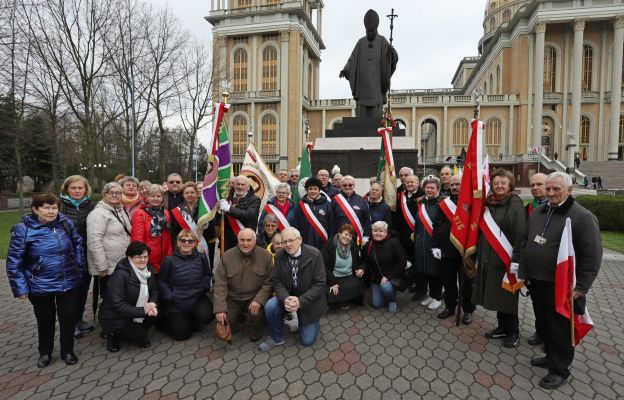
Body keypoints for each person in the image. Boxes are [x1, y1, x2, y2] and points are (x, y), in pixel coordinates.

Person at [519, 172, 602, 389]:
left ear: (569, 190)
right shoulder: (538, 212)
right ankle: (550, 356)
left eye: (557, 189)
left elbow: (592, 255)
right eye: (548, 189)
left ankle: (559, 369)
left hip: (562, 287)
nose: (551, 193)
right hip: (537, 281)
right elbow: (526, 243)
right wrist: (524, 273)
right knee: (545, 324)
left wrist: (582, 287)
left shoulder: (582, 217)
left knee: (560, 330)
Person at [6, 193, 86, 368]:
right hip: (40, 284)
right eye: (46, 207)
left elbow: (78, 244)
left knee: (68, 318)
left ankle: (67, 350)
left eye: (54, 207)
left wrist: (79, 268)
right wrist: (20, 288)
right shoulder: (23, 229)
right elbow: (14, 261)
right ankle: (45, 352)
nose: (51, 211)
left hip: (69, 281)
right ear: (36, 209)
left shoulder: (65, 223)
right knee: (45, 319)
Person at [473, 169, 526, 348]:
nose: (499, 186)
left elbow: (520, 234)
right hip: (489, 258)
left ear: (510, 184)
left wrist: (516, 261)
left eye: (503, 183)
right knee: (497, 295)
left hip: (506, 259)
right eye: (496, 183)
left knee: (508, 297)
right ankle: (503, 327)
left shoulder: (515, 204)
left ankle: (513, 332)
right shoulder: (489, 202)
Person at [259, 227, 327, 350]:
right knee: (270, 306)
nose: (288, 245)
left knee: (307, 341)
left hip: (308, 300)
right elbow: (277, 281)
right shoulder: (279, 256)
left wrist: (300, 301)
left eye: (291, 240)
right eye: (284, 242)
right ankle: (276, 337)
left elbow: (320, 284)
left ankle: (311, 320)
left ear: (300, 240)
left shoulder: (315, 254)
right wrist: (285, 298)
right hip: (288, 296)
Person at [213, 229, 274, 342]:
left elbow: (269, 282)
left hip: (253, 296)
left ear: (255, 241)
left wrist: (259, 300)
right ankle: (240, 318)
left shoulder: (265, 256)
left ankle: (255, 328)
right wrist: (220, 309)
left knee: (256, 314)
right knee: (226, 320)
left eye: (249, 240)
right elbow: (220, 284)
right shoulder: (227, 256)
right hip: (233, 297)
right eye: (242, 240)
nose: (245, 244)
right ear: (238, 240)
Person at [99, 242, 159, 352]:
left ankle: (133, 331)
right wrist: (142, 311)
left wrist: (152, 304)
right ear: (130, 258)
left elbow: (154, 290)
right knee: (140, 337)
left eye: (145, 257)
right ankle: (111, 333)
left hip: (135, 311)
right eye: (138, 257)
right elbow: (117, 304)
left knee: (155, 315)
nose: (142, 260)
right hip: (115, 317)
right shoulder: (120, 275)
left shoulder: (148, 269)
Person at [339, 9, 398, 117]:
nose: (370, 33)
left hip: (376, 84)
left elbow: (391, 60)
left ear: (376, 29)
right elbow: (353, 58)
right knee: (361, 109)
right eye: (368, 31)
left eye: (372, 31)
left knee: (376, 110)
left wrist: (393, 54)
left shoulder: (382, 41)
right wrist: (345, 70)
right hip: (362, 85)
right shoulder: (361, 42)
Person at [433, 174, 475, 324]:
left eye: (458, 184)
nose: (455, 187)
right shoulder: (443, 204)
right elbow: (436, 225)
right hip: (446, 250)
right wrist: (435, 246)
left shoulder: (471, 203)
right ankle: (450, 307)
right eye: (452, 185)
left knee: (467, 284)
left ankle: (468, 310)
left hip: (465, 252)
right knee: (448, 281)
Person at [158, 230, 213, 341]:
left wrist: (203, 287)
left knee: (207, 316)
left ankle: (192, 318)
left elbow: (208, 275)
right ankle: (166, 321)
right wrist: (170, 296)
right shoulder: (169, 260)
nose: (186, 243)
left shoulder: (202, 257)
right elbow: (161, 282)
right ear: (178, 243)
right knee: (182, 335)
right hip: (177, 303)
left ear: (194, 244)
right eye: (183, 240)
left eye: (190, 241)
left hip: (197, 298)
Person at [59, 175, 95, 337]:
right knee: (69, 292)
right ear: (66, 189)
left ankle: (79, 319)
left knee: (83, 289)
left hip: (86, 255)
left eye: (80, 188)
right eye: (73, 188)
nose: (77, 191)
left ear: (86, 189)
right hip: (67, 257)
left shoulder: (92, 206)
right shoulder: (59, 207)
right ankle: (70, 323)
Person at [87, 182, 132, 302]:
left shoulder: (121, 210)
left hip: (120, 262)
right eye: (112, 193)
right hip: (108, 266)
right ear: (104, 194)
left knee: (119, 295)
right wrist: (102, 267)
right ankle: (107, 320)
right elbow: (93, 241)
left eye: (118, 193)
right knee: (109, 297)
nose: (115, 195)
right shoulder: (98, 214)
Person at [413, 176, 444, 311]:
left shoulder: (443, 204)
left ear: (438, 189)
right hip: (422, 243)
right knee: (426, 270)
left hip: (435, 245)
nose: (429, 190)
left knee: (436, 271)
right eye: (427, 187)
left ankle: (437, 297)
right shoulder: (422, 204)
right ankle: (431, 295)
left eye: (432, 188)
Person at [361, 221, 406, 312]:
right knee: (376, 304)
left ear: (386, 232)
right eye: (375, 231)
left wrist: (387, 277)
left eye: (381, 231)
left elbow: (402, 262)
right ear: (372, 232)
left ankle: (392, 300)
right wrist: (362, 269)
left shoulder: (394, 243)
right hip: (376, 279)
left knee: (386, 287)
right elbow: (365, 261)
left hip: (391, 277)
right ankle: (384, 292)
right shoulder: (368, 245)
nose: (378, 233)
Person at [525, 172, 548, 345]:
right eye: (532, 185)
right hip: (533, 268)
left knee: (552, 310)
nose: (535, 188)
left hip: (552, 271)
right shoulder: (530, 208)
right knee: (537, 304)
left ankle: (552, 341)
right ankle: (541, 332)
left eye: (539, 184)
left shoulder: (560, 209)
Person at [321, 224, 365, 309]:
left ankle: (342, 300)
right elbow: (322, 266)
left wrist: (360, 269)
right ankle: (340, 301)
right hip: (333, 277)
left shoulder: (353, 246)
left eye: (350, 236)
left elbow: (361, 261)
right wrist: (332, 283)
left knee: (358, 286)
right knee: (330, 291)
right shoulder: (329, 246)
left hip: (348, 276)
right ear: (339, 234)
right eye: (345, 234)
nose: (347, 237)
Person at [131, 184, 173, 273]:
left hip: (164, 258)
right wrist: (142, 260)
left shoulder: (165, 213)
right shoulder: (140, 213)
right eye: (152, 196)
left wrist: (169, 255)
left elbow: (168, 237)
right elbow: (137, 240)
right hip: (148, 258)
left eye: (158, 196)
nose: (155, 198)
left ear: (162, 197)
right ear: (147, 197)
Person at [395, 174, 424, 298]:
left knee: (420, 262)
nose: (410, 184)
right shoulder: (402, 196)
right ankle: (411, 282)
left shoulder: (423, 195)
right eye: (407, 182)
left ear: (418, 183)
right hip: (405, 236)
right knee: (410, 261)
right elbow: (398, 214)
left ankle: (421, 289)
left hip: (419, 235)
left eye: (412, 182)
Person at [217, 175, 261, 251]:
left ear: (248, 186)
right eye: (238, 184)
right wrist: (218, 212)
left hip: (245, 240)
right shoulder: (226, 196)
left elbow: (248, 214)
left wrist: (229, 208)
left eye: (243, 184)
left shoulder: (255, 199)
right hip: (227, 240)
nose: (240, 187)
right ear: (234, 185)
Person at [293, 177, 334, 249]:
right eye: (310, 189)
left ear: (319, 190)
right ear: (306, 190)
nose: (313, 191)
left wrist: (330, 241)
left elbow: (331, 224)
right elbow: (297, 224)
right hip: (306, 242)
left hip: (324, 242)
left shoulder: (328, 205)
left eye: (315, 189)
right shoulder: (300, 205)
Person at [332, 175, 371, 244]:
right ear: (341, 186)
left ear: (354, 186)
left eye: (350, 185)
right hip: (340, 238)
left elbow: (367, 219)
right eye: (344, 185)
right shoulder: (335, 200)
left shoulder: (361, 200)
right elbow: (331, 220)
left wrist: (366, 236)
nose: (347, 187)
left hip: (357, 238)